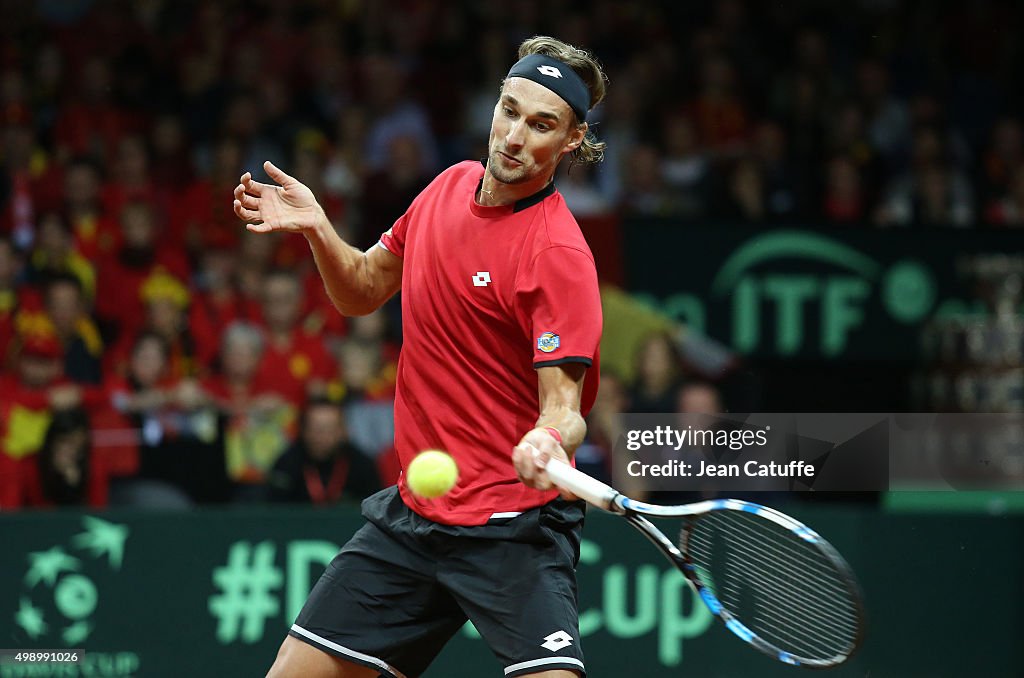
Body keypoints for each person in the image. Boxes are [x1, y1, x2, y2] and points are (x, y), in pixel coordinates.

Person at [235, 36, 607, 678]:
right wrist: (321, 230)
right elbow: (362, 291)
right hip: (414, 517)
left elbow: (565, 408)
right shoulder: (445, 188)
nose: (515, 137)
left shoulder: (557, 256)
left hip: (510, 526)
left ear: (570, 141)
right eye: (509, 111)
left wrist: (548, 440)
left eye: (541, 125)